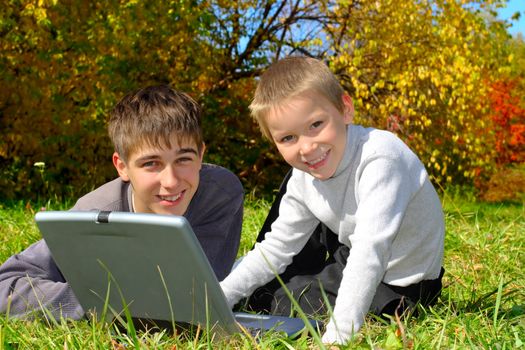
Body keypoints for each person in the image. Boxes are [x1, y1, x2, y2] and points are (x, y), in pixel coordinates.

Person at [220, 56, 445, 345]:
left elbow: (370, 251)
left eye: (316, 124)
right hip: (352, 257)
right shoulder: (303, 177)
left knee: (282, 302)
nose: (307, 147)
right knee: (266, 290)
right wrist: (220, 295)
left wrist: (337, 339)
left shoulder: (381, 157)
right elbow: (276, 247)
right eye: (288, 138)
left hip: (403, 283)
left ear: (345, 109)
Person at [0, 85, 244, 321]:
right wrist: (93, 302)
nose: (170, 182)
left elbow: (200, 297)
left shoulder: (220, 194)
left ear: (201, 155)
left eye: (183, 159)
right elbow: (5, 285)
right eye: (151, 163)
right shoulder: (93, 215)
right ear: (122, 166)